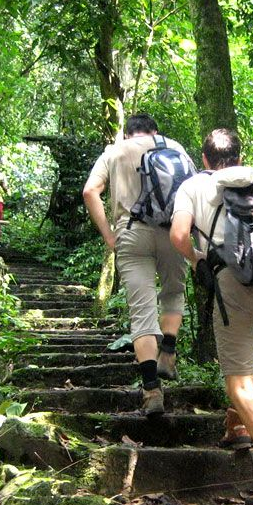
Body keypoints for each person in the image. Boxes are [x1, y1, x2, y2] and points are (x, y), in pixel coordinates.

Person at [169, 128, 253, 505]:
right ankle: (238, 425)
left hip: (236, 285)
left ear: (205, 158)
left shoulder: (193, 185)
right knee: (243, 359)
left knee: (239, 384)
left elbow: (180, 235)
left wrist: (197, 259)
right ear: (239, 156)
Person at [82, 113, 193, 415]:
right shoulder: (175, 147)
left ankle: (151, 390)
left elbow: (90, 191)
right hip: (172, 231)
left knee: (142, 311)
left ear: (127, 134)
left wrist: (109, 235)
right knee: (173, 292)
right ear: (155, 131)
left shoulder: (115, 151)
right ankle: (168, 351)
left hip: (131, 232)